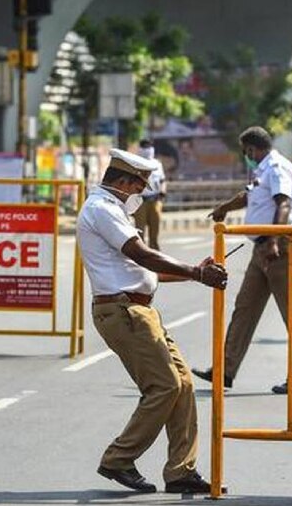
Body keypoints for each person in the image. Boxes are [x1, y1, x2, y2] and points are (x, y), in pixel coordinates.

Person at [77, 149, 228, 494]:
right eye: (138, 187)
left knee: (185, 385)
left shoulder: (113, 210)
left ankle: (180, 471)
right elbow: (141, 255)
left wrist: (195, 274)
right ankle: (118, 459)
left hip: (139, 311)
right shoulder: (102, 209)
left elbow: (143, 269)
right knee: (165, 386)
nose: (139, 195)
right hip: (124, 312)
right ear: (124, 182)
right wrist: (196, 272)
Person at [192, 126, 292, 395]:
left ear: (253, 149)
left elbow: (283, 204)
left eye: (246, 151)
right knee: (244, 309)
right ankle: (224, 371)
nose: (246, 156)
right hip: (260, 249)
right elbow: (249, 196)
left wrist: (274, 238)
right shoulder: (262, 170)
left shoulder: (277, 168)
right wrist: (224, 208)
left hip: (278, 247)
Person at [133, 139, 166, 250]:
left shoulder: (157, 164)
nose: (147, 150)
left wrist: (163, 191)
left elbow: (162, 180)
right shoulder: (135, 163)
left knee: (155, 231)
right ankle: (141, 256)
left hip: (155, 200)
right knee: (140, 231)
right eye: (144, 147)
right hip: (140, 200)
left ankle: (156, 256)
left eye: (149, 147)